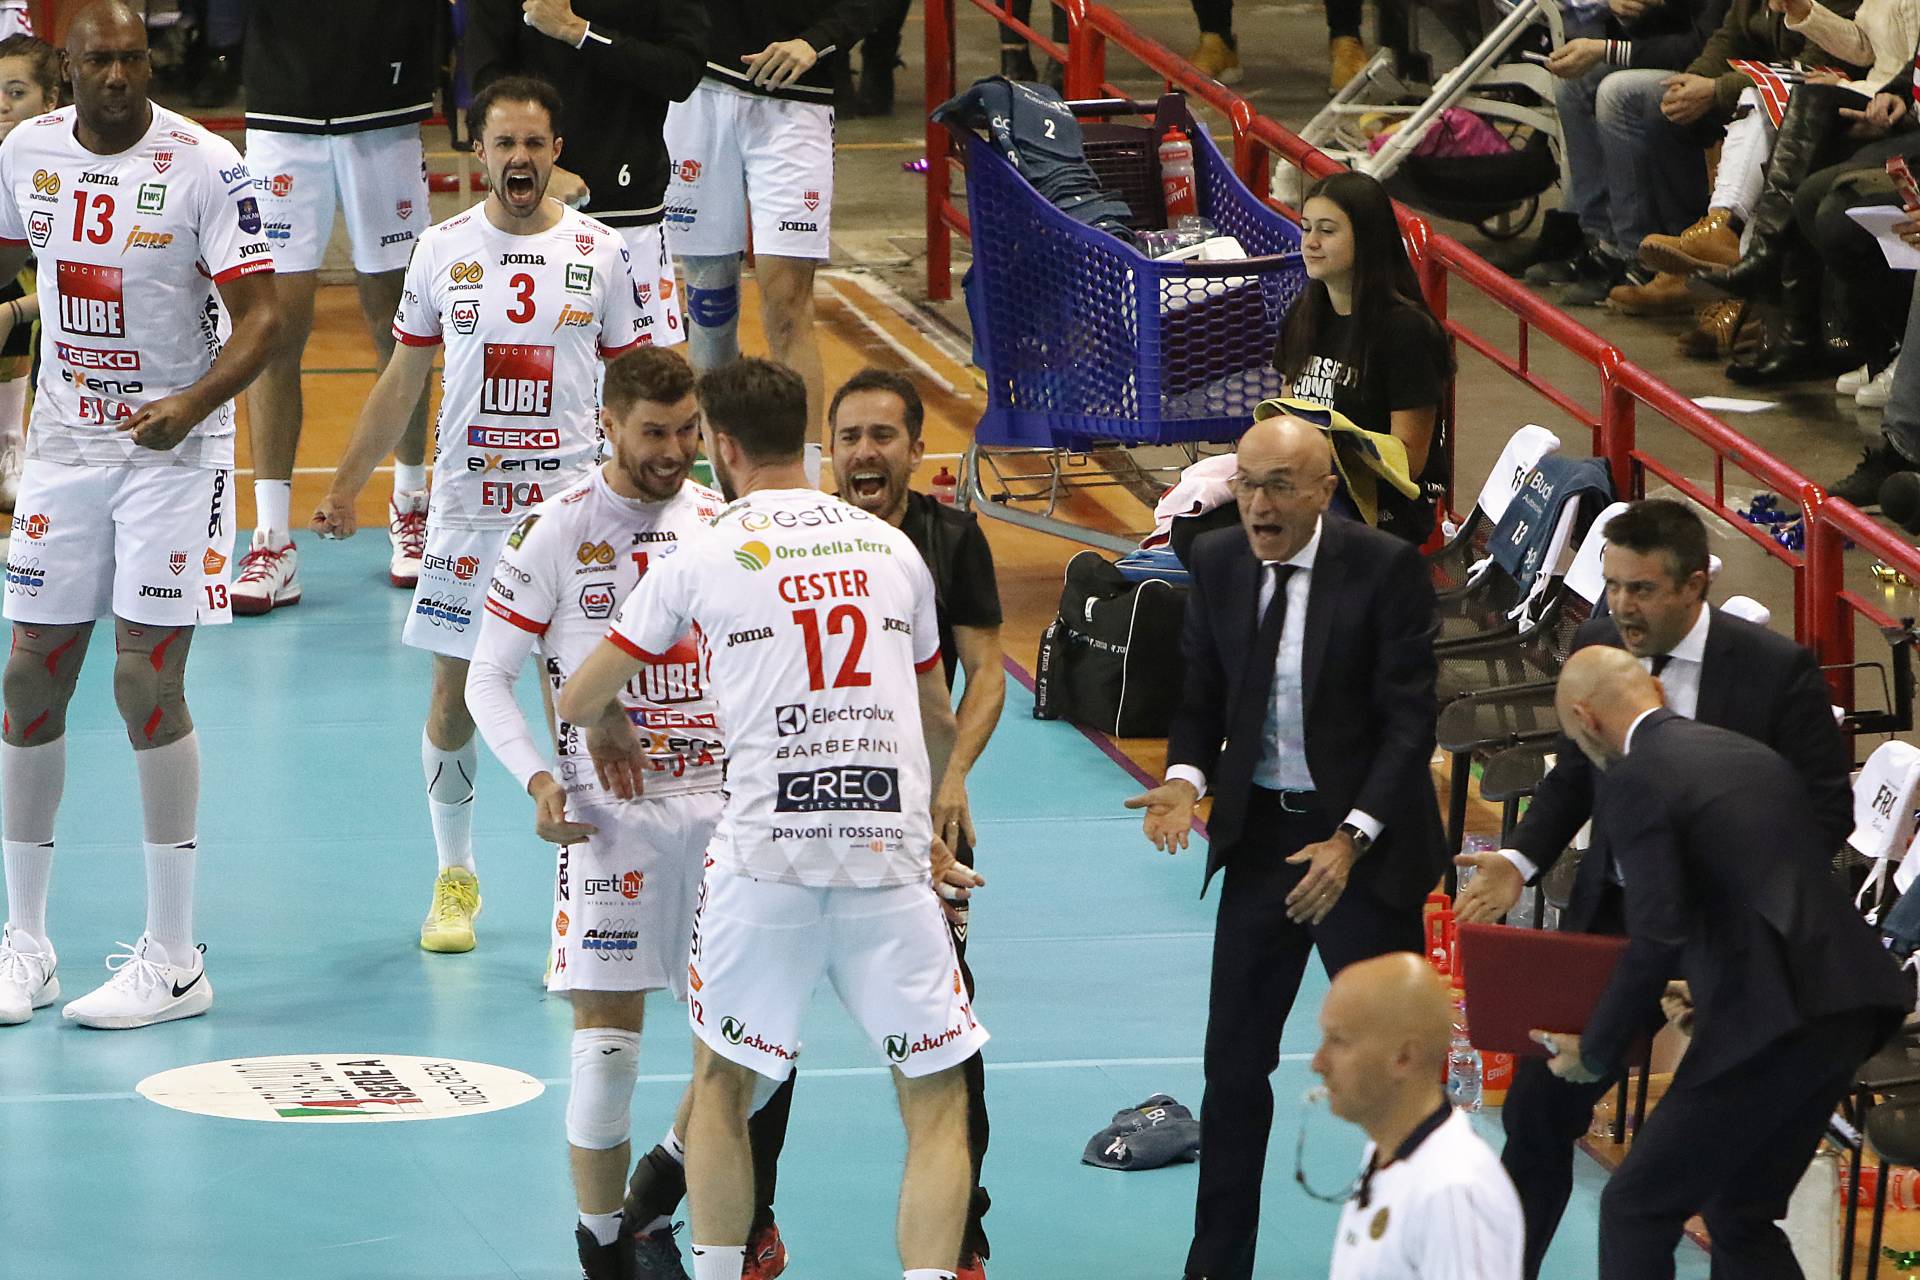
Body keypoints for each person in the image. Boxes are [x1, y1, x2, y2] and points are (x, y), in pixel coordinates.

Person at [557, 357, 985, 1280]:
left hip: (763, 865)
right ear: (806, 440)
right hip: (885, 860)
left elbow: (579, 694)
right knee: (936, 1100)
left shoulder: (701, 554)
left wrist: (609, 720)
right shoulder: (892, 549)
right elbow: (939, 718)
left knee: (722, 1084)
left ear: (721, 447)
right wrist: (926, 821)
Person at [1453, 497, 1853, 1280]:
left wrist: (1737, 920)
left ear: (1695, 585)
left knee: (1729, 1195)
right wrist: (1520, 859)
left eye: (1641, 589)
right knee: (1538, 1111)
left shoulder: (1774, 671)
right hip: (1616, 919)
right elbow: (1574, 775)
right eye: (1612, 586)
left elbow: (1825, 813)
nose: (1621, 607)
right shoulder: (1601, 646)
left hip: (1730, 938)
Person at [310, 75, 647, 956]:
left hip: (574, 519)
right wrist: (347, 484)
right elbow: (402, 380)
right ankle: (454, 875)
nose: (519, 158)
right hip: (469, 514)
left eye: (534, 143)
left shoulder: (603, 252)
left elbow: (642, 387)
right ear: (479, 153)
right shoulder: (442, 249)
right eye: (504, 143)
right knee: (453, 695)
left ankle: (586, 893)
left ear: (557, 152)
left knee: (580, 700)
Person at [0, 0, 282, 1027]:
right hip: (65, 445)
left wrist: (193, 405)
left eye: (133, 57)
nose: (118, 75)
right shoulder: (26, 151)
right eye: (99, 61)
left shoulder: (207, 166)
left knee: (143, 681)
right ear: (65, 69)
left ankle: (174, 957)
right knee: (27, 676)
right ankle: (26, 942)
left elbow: (265, 318)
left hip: (174, 450)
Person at [1123, 413, 1447, 1280]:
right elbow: (1203, 694)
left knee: (1398, 1076)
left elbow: (1409, 723)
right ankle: (1215, 1267)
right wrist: (1186, 778)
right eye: (1247, 486)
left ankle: (1415, 1259)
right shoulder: (1218, 561)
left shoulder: (1383, 569)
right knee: (1232, 1068)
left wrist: (1351, 840)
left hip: (1364, 851)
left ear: (1323, 492)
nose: (1259, 506)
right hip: (1264, 839)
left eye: (1279, 487)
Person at [464, 345, 759, 1278]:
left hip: (728, 813)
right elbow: (487, 679)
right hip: (609, 821)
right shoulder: (554, 530)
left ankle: (655, 1193)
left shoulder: (721, 521)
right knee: (606, 1058)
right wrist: (538, 781)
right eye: (654, 432)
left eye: (688, 431)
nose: (675, 451)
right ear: (609, 425)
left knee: (754, 1050)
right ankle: (602, 1253)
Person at [1532, 647, 1908, 1279]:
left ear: (1585, 719)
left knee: (1635, 1207)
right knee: (1740, 1212)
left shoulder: (1633, 778)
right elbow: (1759, 890)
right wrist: (1708, 984)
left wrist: (1596, 1051)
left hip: (1775, 1022)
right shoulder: (1744, 751)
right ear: (1654, 690)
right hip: (1851, 1001)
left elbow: (1655, 933)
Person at [830, 367, 1005, 1280]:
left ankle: (963, 1230)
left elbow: (989, 673)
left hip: (925, 826)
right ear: (828, 453)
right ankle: (750, 1226)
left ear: (914, 448)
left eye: (883, 436)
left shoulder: (952, 539)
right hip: (811, 818)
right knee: (759, 1040)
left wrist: (953, 776)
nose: (866, 452)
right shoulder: (799, 542)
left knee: (948, 1032)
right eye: (850, 437)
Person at [235, 1, 441, 614]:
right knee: (273, 328)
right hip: (283, 107)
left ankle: (412, 505)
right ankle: (272, 539)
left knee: (398, 322)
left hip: (384, 106)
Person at [666, 0, 882, 452]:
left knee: (788, 308)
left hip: (796, 99)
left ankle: (802, 481)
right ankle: (723, 475)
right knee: (709, 309)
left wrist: (816, 41)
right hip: (699, 89)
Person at [464, 0, 707, 356]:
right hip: (532, 210)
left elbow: (682, 72)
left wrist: (578, 31)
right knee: (531, 373)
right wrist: (539, 170)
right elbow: (486, 83)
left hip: (631, 210)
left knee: (638, 378)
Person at [1313, 953, 1524, 1280]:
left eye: (1339, 1041)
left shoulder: (1453, 1192)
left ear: (1404, 1057)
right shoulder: (1386, 1150)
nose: (1318, 1063)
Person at [1272, 172, 1453, 545]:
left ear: (1368, 238)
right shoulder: (1305, 313)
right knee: (1201, 524)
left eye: (1327, 231)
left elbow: (1408, 462)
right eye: (1306, 228)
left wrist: (1323, 460)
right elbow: (1284, 413)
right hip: (1311, 489)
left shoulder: (1406, 331)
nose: (1311, 242)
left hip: (1385, 509)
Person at [1522, 0, 1722, 309]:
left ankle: (1636, 254)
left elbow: (1699, 47)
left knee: (1617, 93)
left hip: (1709, 69)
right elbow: (1661, 29)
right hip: (1683, 55)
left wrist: (1607, 50)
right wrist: (1629, 11)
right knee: (1573, 85)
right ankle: (1600, 239)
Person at [0, 32, 60, 508]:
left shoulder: (71, 168)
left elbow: (94, 281)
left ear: (50, 100)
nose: (1, 106)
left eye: (16, 93)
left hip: (69, 322)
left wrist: (16, 312)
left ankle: (11, 450)